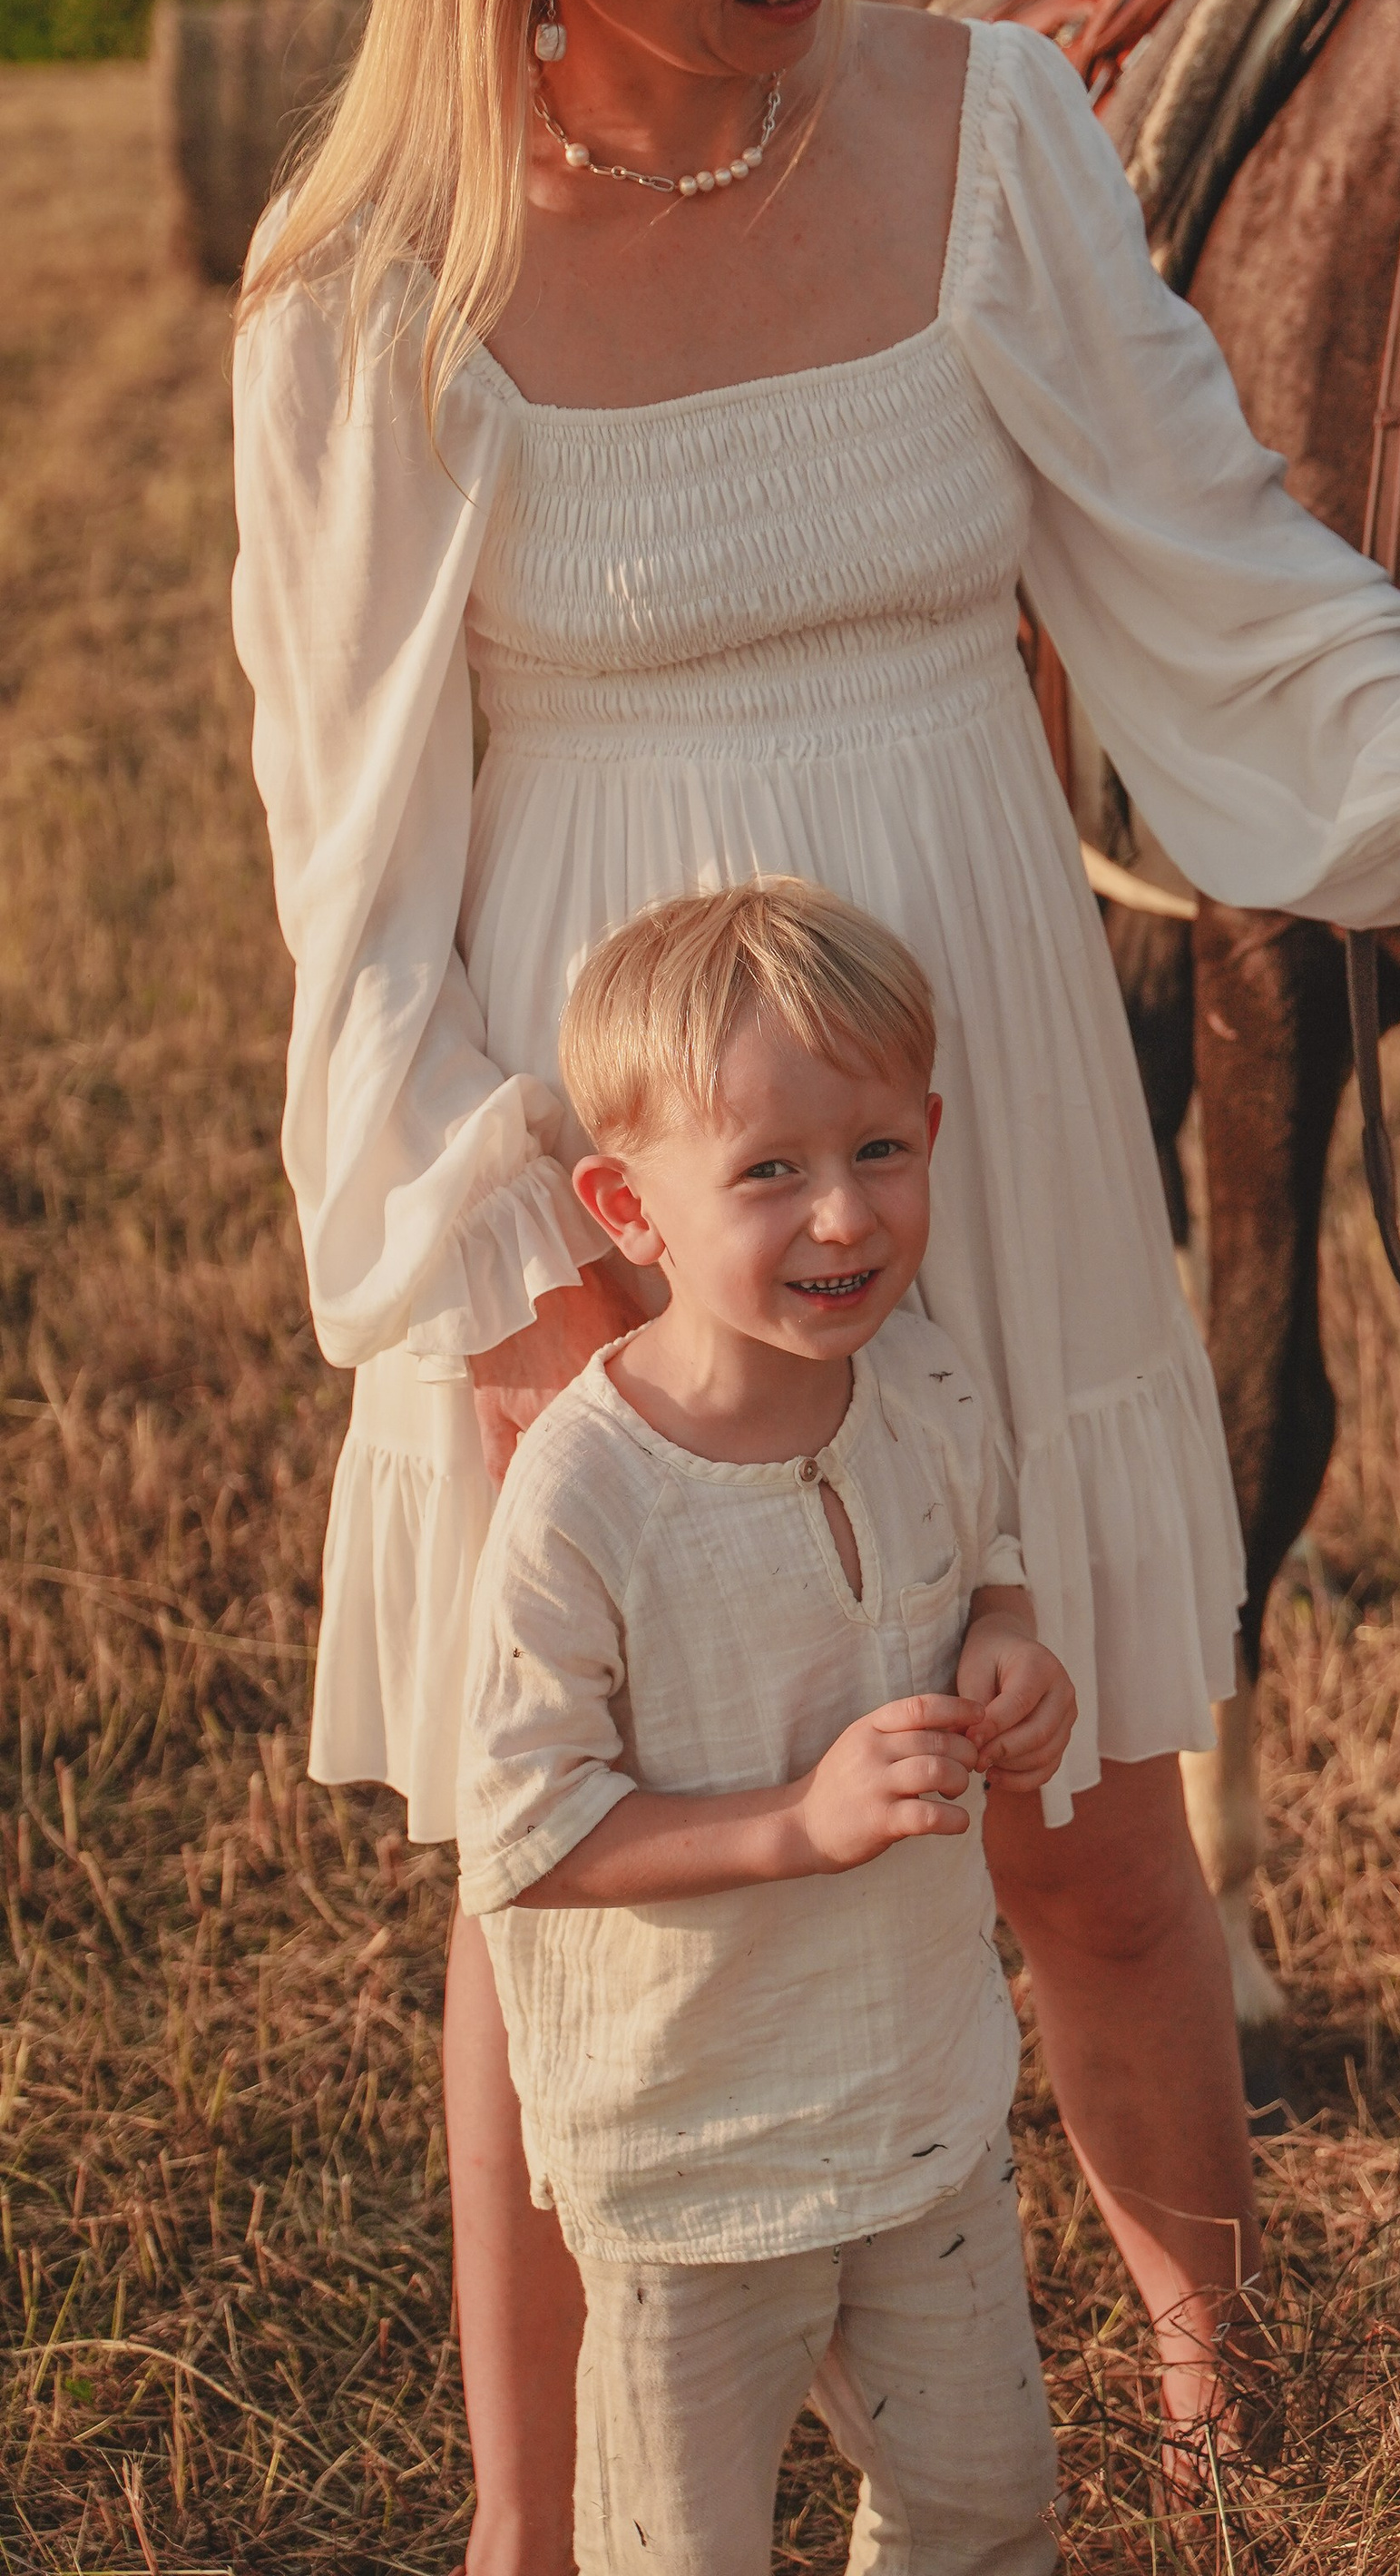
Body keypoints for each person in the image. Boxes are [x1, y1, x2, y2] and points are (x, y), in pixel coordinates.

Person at [230, 0, 1400, 2574]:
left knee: (1085, 1820)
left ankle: (1212, 2426)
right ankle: (539, 2541)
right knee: (573, 1903)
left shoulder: (993, 137)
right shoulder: (371, 290)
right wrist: (530, 1313)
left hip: (970, 1108)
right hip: (613, 1171)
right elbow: (356, 886)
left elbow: (1210, 571)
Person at [459, 878, 1070, 2576]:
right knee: (681, 2551)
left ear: (932, 1130)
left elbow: (989, 1564)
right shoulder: (587, 1494)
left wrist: (1013, 1649)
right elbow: (525, 1831)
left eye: (878, 1150)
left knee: (983, 2506)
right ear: (626, 1208)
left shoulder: (927, 1389)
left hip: (921, 2112)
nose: (842, 1216)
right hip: (691, 2158)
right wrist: (799, 1825)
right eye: (769, 1172)